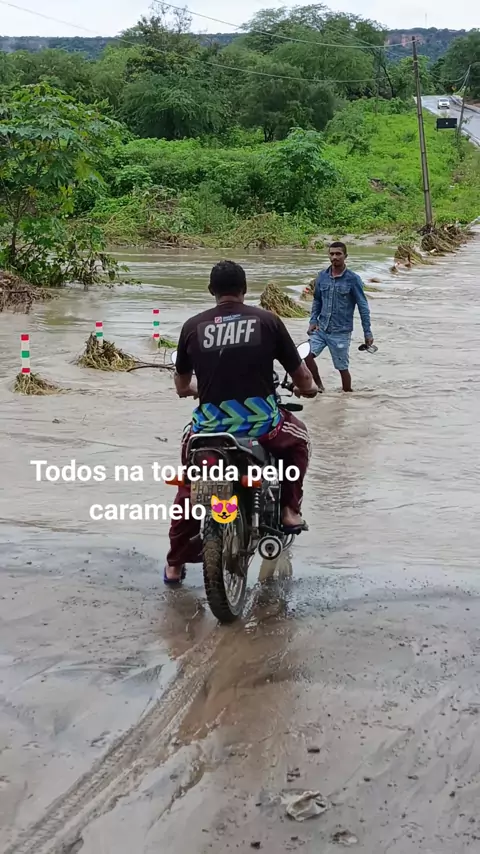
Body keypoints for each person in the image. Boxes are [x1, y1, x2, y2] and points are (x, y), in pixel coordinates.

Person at [164, 260, 318, 584]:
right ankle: (289, 510)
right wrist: (309, 389)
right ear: (245, 289)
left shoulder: (192, 326)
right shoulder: (267, 321)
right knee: (300, 439)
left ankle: (174, 564)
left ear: (211, 290)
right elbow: (302, 377)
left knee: (189, 486)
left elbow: (181, 386)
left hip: (207, 430)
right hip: (261, 426)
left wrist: (197, 390)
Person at [304, 241, 374, 393]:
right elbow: (317, 300)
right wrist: (313, 321)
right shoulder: (322, 276)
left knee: (342, 368)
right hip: (321, 328)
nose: (334, 257)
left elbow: (363, 307)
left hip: (341, 332)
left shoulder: (353, 279)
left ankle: (346, 395)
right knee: (305, 355)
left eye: (338, 254)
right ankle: (319, 387)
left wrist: (367, 332)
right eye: (331, 254)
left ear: (345, 256)